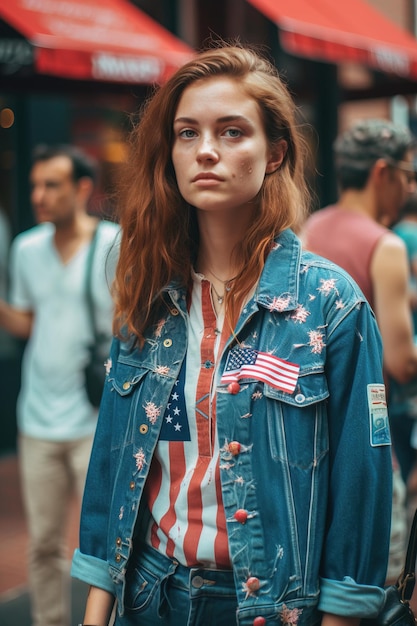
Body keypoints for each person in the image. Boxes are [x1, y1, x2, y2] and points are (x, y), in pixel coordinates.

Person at [72, 44, 392, 626]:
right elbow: (114, 459)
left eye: (232, 132)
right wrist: (96, 609)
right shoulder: (148, 295)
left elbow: (360, 482)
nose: (207, 152)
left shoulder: (329, 304)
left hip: (269, 608)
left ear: (274, 154)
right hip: (150, 595)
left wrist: (342, 615)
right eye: (187, 133)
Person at [0, 144, 120, 626]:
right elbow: (27, 323)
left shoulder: (116, 243)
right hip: (37, 417)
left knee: (108, 541)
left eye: (52, 185)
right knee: (45, 543)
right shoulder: (25, 248)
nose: (39, 195)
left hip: (96, 416)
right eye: (34, 186)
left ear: (83, 189)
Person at [302, 118, 417, 586]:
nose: (409, 189)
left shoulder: (308, 228)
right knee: (377, 586)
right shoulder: (384, 246)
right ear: (381, 173)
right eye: (408, 176)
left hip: (306, 441)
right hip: (364, 443)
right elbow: (400, 361)